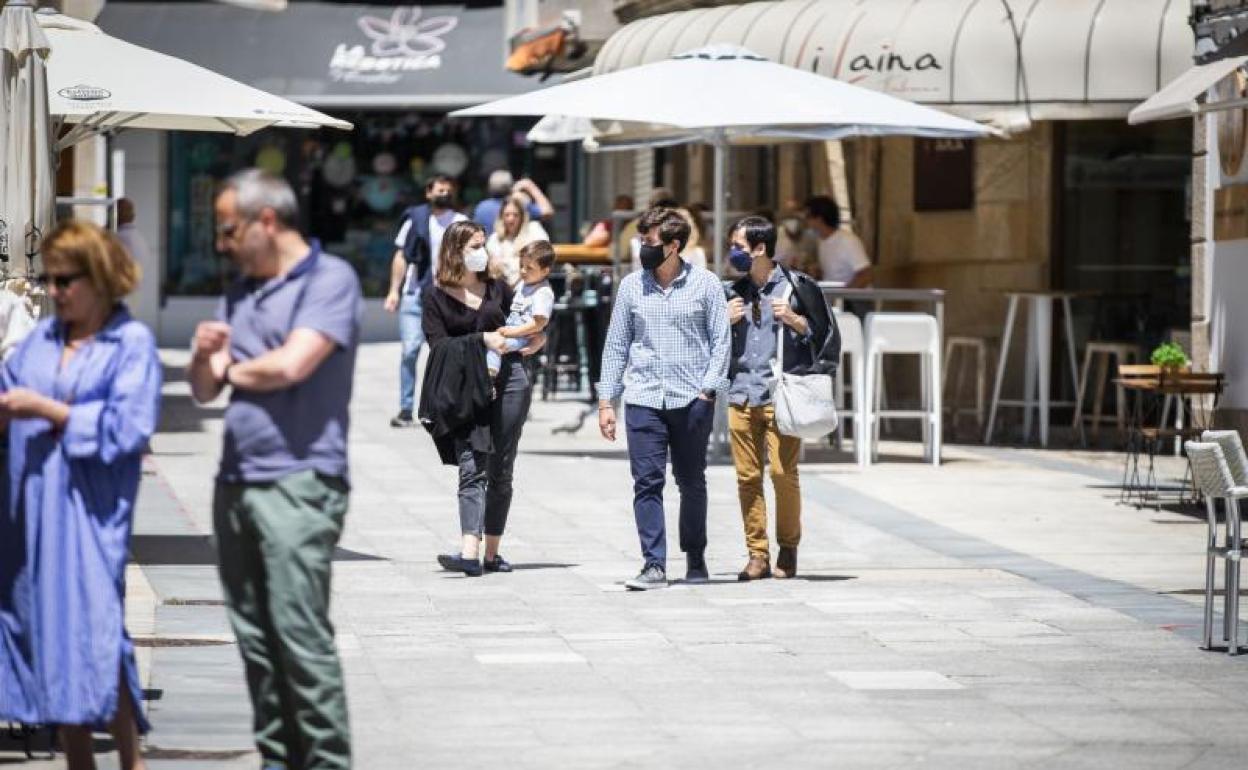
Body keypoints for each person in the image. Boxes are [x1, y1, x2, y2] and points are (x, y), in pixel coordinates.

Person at [189, 169, 362, 770]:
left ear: (267, 221)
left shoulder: (329, 279)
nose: (221, 241)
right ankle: (277, 760)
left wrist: (232, 367)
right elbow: (203, 387)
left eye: (229, 227)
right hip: (236, 482)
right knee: (257, 645)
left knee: (298, 638)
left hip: (299, 483)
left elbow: (293, 364)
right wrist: (202, 358)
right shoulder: (239, 289)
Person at [0, 220, 160, 770]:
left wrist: (52, 412)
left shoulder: (130, 342)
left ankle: (129, 759)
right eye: (50, 279)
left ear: (98, 278)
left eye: (67, 280)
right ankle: (80, 764)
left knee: (93, 629)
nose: (56, 290)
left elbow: (131, 425)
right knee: (51, 635)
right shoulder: (40, 341)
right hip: (32, 512)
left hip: (91, 510)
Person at [598, 207, 730, 591]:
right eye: (641, 240)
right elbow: (616, 345)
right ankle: (653, 564)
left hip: (691, 399)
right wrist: (607, 400)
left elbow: (721, 342)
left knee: (691, 481)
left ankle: (695, 553)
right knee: (646, 482)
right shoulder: (630, 286)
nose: (642, 247)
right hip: (643, 397)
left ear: (673, 246)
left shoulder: (706, 284)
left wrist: (708, 391)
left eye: (649, 241)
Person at [423, 221, 542, 577]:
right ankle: (469, 551)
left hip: (510, 383)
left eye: (482, 245)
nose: (481, 252)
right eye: (473, 246)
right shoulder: (435, 296)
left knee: (501, 469)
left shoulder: (498, 289)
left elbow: (527, 326)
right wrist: (482, 341)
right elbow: (438, 346)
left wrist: (536, 340)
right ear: (454, 251)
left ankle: (491, 552)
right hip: (464, 391)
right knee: (471, 465)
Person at [724, 216, 839, 581]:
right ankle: (757, 554)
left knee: (781, 472)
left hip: (781, 392)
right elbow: (708, 342)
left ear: (760, 249)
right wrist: (723, 322)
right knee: (747, 477)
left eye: (739, 247)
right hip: (741, 391)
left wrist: (795, 319)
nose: (732, 253)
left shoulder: (797, 287)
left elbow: (825, 336)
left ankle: (788, 546)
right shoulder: (731, 292)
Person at [384, 174, 467, 429]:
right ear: (428, 193)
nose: (444, 193)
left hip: (447, 297)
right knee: (409, 351)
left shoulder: (461, 222)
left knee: (443, 354)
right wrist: (393, 290)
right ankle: (406, 408)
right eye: (439, 189)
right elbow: (401, 256)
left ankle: (441, 406)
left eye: (448, 190)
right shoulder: (416, 219)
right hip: (415, 293)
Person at [486, 240, 556, 378]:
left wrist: (512, 332)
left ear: (545, 271)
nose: (523, 271)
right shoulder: (524, 284)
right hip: (512, 331)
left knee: (496, 344)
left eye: (529, 268)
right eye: (521, 266)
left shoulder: (542, 292)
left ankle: (490, 375)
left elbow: (539, 323)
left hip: (522, 336)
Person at [805, 195, 872, 287]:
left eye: (808, 217)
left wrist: (845, 297)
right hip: (832, 297)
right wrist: (818, 272)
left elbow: (866, 275)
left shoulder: (848, 241)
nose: (806, 221)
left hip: (853, 299)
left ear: (819, 219)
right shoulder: (821, 241)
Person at [486, 194, 550, 288]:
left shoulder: (534, 230)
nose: (511, 219)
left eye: (515, 215)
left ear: (522, 217)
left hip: (529, 288)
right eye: (507, 215)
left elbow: (543, 254)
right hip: (502, 290)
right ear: (501, 217)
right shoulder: (495, 239)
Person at [472, 170, 553, 233]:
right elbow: (548, 211)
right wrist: (530, 186)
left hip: (489, 252)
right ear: (511, 187)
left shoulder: (481, 207)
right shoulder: (518, 205)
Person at [775, 200, 820, 276]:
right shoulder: (776, 236)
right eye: (789, 215)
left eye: (796, 214)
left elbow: (815, 263)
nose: (793, 220)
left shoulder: (811, 237)